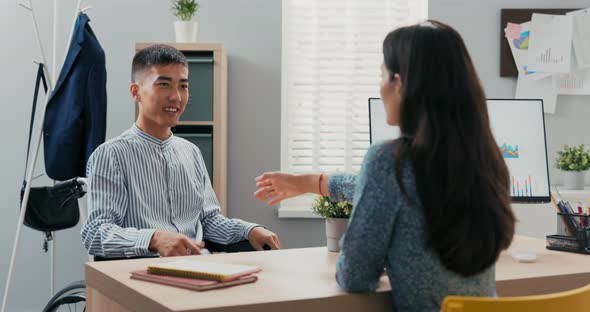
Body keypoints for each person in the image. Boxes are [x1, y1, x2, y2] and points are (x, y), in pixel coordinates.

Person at [254, 21, 515, 311]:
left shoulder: (388, 161)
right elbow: (402, 189)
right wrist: (306, 183)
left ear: (400, 85)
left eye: (382, 75)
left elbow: (355, 277)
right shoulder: (484, 160)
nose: (379, 89)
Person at [82, 44, 280, 259]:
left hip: (198, 268)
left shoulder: (191, 152)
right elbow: (96, 233)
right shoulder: (110, 155)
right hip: (143, 275)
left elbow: (208, 221)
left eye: (183, 86)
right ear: (136, 92)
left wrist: (248, 230)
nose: (176, 97)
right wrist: (154, 239)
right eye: (164, 84)